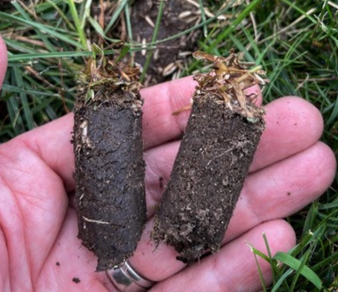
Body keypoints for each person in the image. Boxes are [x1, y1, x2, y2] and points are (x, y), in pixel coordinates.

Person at [0, 34, 335, 292]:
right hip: (100, 237)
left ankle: (181, 234)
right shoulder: (105, 115)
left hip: (177, 227)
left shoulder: (229, 119)